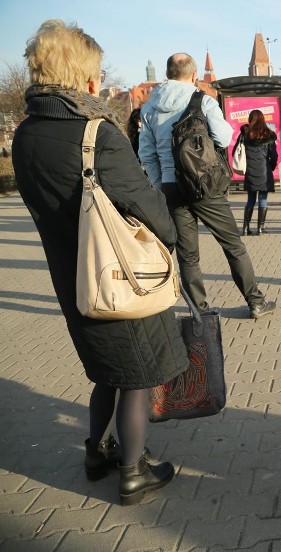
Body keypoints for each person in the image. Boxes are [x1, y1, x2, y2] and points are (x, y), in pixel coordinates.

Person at [13, 19, 187, 505]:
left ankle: (96, 452)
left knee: (105, 368)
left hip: (70, 275)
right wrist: (170, 238)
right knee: (135, 373)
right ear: (80, 73)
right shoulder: (96, 133)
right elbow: (142, 202)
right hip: (117, 274)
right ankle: (133, 471)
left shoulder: (26, 134)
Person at [138, 53, 276, 319]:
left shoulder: (149, 108)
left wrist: (161, 184)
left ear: (167, 74)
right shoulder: (202, 101)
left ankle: (199, 311)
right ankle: (255, 301)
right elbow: (224, 138)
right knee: (232, 245)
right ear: (193, 75)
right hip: (205, 183)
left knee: (188, 255)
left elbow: (146, 153)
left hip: (172, 186)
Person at [236, 109, 278, 236]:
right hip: (264, 170)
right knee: (263, 199)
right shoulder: (269, 135)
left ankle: (245, 228)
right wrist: (271, 166)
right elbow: (274, 155)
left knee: (250, 199)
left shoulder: (245, 134)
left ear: (250, 119)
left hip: (250, 170)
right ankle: (260, 228)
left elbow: (236, 151)